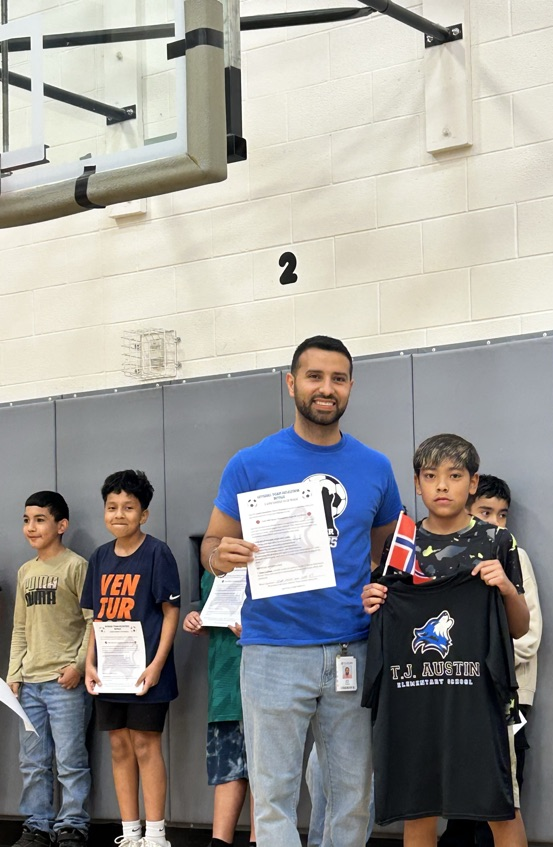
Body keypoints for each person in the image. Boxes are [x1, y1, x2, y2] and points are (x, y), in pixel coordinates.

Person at [201, 335, 402, 847]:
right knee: (273, 801)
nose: (326, 388)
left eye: (338, 378)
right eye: (314, 376)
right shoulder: (250, 463)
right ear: (292, 383)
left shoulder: (376, 467)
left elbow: (385, 554)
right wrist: (219, 556)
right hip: (271, 651)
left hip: (349, 650)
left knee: (353, 796)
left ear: (351, 387)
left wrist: (377, 588)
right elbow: (211, 545)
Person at [362, 434, 529, 847]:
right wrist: (372, 600)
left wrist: (506, 588)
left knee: (499, 807)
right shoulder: (399, 544)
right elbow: (384, 618)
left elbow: (520, 627)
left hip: (481, 697)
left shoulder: (496, 541)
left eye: (454, 476)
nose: (441, 486)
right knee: (420, 808)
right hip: (414, 697)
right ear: (416, 483)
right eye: (431, 476)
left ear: (472, 484)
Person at [439, 476, 542, 847]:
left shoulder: (514, 555)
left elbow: (528, 638)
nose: (495, 522)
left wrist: (480, 662)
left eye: (503, 515)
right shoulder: (447, 556)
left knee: (500, 805)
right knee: (459, 810)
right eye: (485, 512)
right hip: (458, 695)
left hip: (507, 699)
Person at [81, 470, 180, 847]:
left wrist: (156, 665)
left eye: (128, 507)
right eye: (111, 507)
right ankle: (130, 832)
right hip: (110, 671)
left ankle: (156, 835)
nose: (119, 514)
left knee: (145, 744)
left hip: (146, 671)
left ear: (144, 514)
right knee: (119, 745)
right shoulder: (99, 557)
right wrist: (89, 663)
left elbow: (171, 612)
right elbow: (96, 617)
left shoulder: (158, 553)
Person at [6, 491, 92, 847]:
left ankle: (72, 824)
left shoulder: (76, 566)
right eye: (27, 520)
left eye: (40, 519)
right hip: (29, 684)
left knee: (70, 759)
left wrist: (78, 666)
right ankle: (37, 824)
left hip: (65, 683)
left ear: (61, 525)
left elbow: (92, 622)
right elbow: (20, 628)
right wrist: (14, 674)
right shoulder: (26, 571)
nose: (31, 527)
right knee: (33, 761)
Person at [183, 569, 256, 847]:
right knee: (227, 767)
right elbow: (210, 614)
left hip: (264, 679)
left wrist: (259, 627)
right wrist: (197, 619)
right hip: (224, 685)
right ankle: (219, 841)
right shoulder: (213, 570)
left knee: (264, 770)